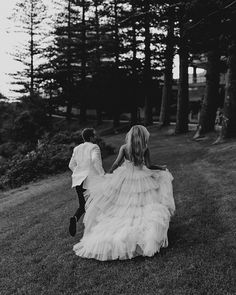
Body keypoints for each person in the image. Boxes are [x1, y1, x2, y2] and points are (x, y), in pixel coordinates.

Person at [73, 125, 175, 261]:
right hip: (142, 177)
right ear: (141, 136)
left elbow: (116, 163)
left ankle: (115, 233)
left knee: (122, 206)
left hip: (124, 177)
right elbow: (149, 166)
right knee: (142, 205)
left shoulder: (124, 148)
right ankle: (141, 233)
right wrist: (160, 168)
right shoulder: (144, 148)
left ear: (130, 136)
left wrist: (107, 175)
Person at [68, 128, 105, 237]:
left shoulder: (77, 148)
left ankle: (75, 218)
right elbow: (95, 160)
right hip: (90, 180)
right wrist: (102, 175)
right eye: (94, 135)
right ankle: (97, 228)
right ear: (91, 137)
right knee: (97, 203)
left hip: (78, 180)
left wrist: (79, 172)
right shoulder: (94, 147)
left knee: (83, 205)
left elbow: (71, 165)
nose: (96, 137)